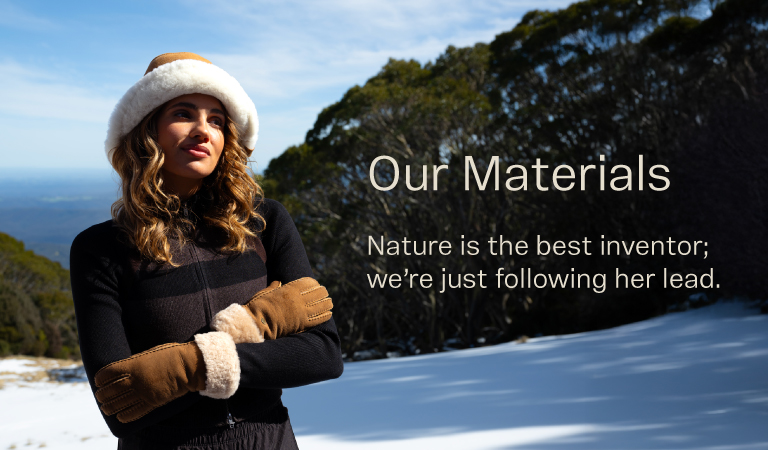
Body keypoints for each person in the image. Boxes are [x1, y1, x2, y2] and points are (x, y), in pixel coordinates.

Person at [70, 52, 344, 450]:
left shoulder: (265, 223)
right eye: (183, 113)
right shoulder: (101, 249)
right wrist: (259, 326)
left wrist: (177, 370)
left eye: (216, 120)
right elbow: (120, 404)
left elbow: (323, 353)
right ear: (147, 132)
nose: (204, 130)